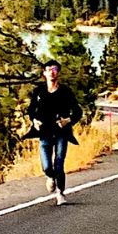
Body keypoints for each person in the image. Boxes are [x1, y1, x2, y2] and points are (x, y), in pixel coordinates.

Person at [26, 60, 81, 205]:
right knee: (47, 166)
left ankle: (60, 193)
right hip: (44, 132)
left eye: (55, 69)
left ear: (59, 72)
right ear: (44, 73)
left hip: (61, 133)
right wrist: (34, 121)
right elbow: (31, 110)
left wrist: (67, 120)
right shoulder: (39, 92)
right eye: (49, 69)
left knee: (59, 163)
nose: (52, 72)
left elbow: (77, 111)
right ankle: (50, 177)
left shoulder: (65, 91)